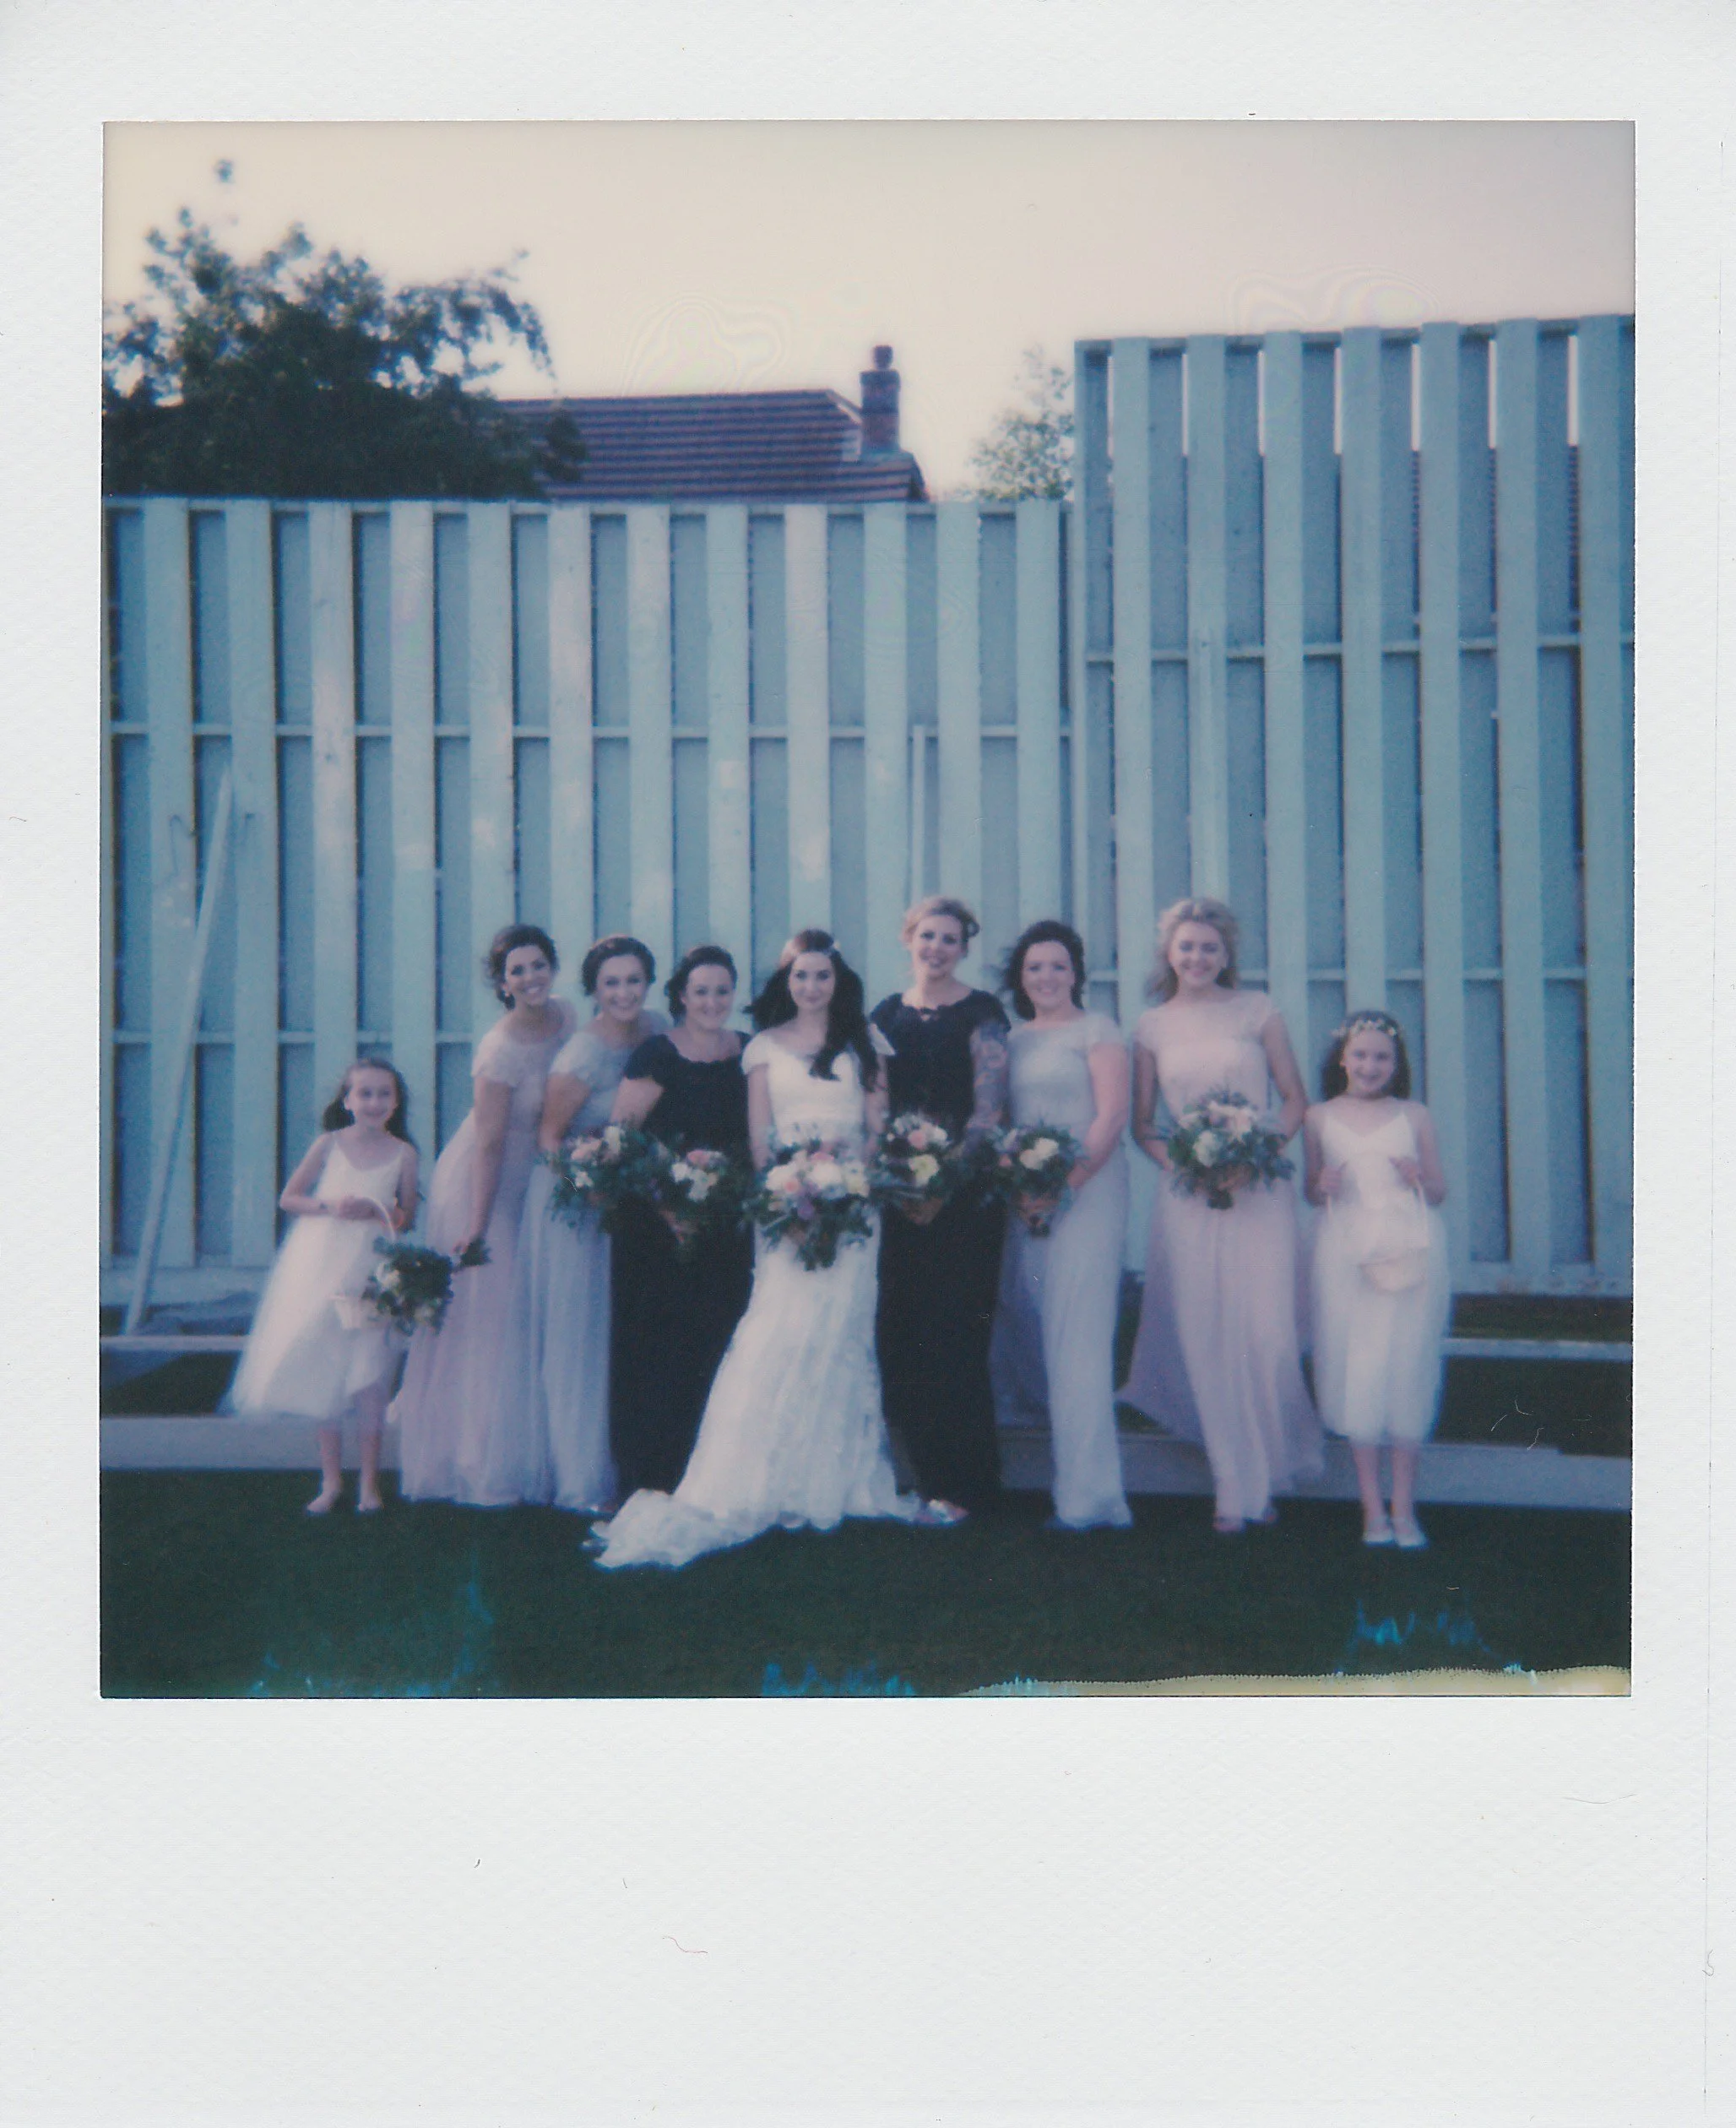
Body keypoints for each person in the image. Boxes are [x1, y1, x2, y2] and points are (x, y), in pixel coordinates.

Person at [592, 931, 920, 1571]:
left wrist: (852, 1188)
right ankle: (754, 1475)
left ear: (837, 981)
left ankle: (836, 1477)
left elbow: (877, 1128)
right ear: (786, 983)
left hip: (854, 1209)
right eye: (801, 976)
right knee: (778, 1330)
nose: (811, 987)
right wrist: (786, 1197)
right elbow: (760, 1139)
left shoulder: (866, 1043)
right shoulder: (762, 1049)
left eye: (822, 976)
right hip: (783, 1212)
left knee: (840, 1334)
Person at [1120, 897, 1324, 1533]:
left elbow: (1295, 1100)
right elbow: (1142, 1124)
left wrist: (1257, 1152)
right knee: (1206, 1336)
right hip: (1190, 1198)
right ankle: (1233, 1484)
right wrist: (1186, 1164)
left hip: (1258, 1192)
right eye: (1187, 947)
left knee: (1265, 1334)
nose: (1198, 957)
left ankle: (1270, 1465)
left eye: (1210, 947)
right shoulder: (1151, 1027)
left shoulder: (1258, 1012)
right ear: (1169, 954)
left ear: (1226, 954)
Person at [391, 925, 577, 1506]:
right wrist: (474, 1225)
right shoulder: (497, 1050)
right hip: (485, 1184)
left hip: (542, 1178)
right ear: (502, 983)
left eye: (539, 964)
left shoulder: (568, 1018)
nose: (531, 978)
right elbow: (491, 1142)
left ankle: (539, 1444)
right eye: (517, 971)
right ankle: (478, 1456)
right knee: (493, 1320)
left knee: (538, 1313)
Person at [494, 936, 667, 1514]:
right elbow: (549, 1136)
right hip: (575, 1200)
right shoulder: (583, 1055)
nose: (624, 992)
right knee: (578, 1338)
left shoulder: (659, 1028)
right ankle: (579, 1477)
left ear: (649, 983)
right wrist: (589, 1182)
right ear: (593, 990)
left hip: (629, 1198)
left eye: (634, 980)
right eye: (611, 982)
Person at [988, 921, 1133, 1530]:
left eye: (1057, 966)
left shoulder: (1098, 1032)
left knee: (1079, 1339)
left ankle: (1090, 1500)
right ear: (1020, 980)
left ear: (1076, 972)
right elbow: (998, 1120)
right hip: (1027, 1202)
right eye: (1034, 968)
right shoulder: (1012, 1040)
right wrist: (1022, 1186)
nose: (1046, 977)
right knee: (1033, 1325)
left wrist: (1065, 1185)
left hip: (1088, 1194)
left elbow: (1112, 1114)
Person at [871, 895, 1011, 1523]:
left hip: (963, 1198)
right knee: (903, 1334)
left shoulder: (982, 1013)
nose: (937, 948)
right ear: (908, 939)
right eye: (927, 936)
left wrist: (946, 1178)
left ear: (964, 947)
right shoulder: (886, 1014)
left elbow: (989, 1107)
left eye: (950, 939)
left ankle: (971, 1483)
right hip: (899, 1199)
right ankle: (926, 1479)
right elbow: (871, 1104)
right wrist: (902, 1182)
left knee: (956, 1335)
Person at [229, 1059, 419, 1514]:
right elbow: (289, 1198)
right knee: (326, 1369)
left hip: (373, 1269)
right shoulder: (329, 1144)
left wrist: (375, 1211)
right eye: (365, 1093)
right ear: (347, 1100)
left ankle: (370, 1483)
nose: (374, 1103)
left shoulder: (403, 1154)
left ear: (396, 1101)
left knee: (370, 1373)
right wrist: (329, 1204)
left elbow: (405, 1215)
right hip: (322, 1264)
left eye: (384, 1094)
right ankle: (331, 1481)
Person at [605, 945, 754, 1501]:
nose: (712, 1001)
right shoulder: (656, 1055)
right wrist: (668, 1202)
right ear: (681, 997)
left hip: (725, 1227)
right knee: (658, 1354)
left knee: (718, 1343)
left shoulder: (747, 1052)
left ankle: (711, 1475)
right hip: (656, 1227)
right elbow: (623, 1141)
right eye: (701, 991)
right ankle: (651, 1475)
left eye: (722, 991)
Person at [1304, 1011, 1450, 1550]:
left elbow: (1438, 1190)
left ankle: (1404, 1506)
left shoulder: (1414, 1115)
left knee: (1406, 1359)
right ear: (1342, 1058)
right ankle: (1371, 1507)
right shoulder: (1319, 1116)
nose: (1370, 1066)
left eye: (1381, 1057)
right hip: (1346, 1250)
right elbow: (1311, 1190)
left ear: (1396, 1064)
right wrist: (1322, 1183)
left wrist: (1418, 1178)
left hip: (1408, 1242)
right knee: (1358, 1361)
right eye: (1360, 1055)